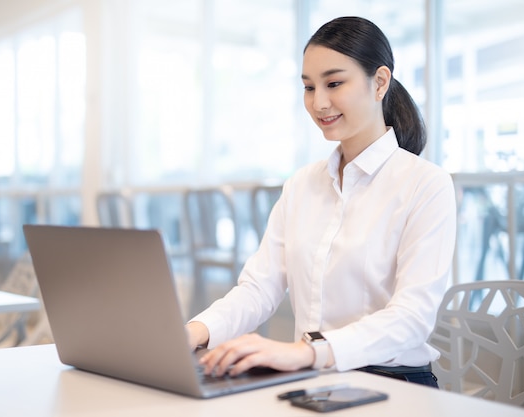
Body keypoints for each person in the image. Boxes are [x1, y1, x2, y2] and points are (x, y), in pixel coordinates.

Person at [185, 16, 456, 387]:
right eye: (309, 87)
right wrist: (194, 332)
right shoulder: (301, 185)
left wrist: (306, 352)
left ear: (379, 82)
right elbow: (259, 289)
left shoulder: (426, 184)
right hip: (313, 380)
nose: (319, 103)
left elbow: (412, 318)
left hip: (392, 384)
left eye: (334, 83)